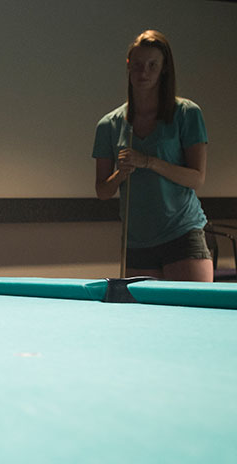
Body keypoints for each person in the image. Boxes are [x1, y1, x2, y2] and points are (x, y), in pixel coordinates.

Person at [93, 30, 212, 282]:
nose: (143, 72)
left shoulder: (187, 113)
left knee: (192, 317)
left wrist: (148, 162)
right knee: (144, 321)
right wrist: (120, 173)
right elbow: (103, 191)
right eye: (137, 65)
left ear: (164, 68)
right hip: (136, 242)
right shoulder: (109, 125)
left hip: (182, 234)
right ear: (128, 67)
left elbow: (197, 179)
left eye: (151, 65)